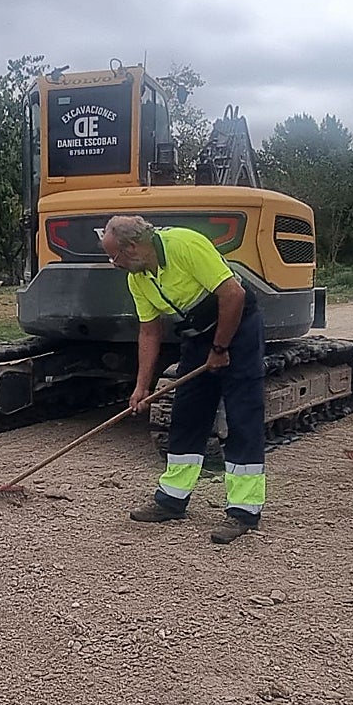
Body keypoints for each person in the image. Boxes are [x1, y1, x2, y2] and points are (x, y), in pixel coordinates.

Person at [101, 215, 266, 545]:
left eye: (114, 256)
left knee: (242, 415)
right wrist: (141, 386)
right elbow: (149, 331)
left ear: (132, 247)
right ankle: (172, 500)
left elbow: (233, 295)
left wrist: (221, 348)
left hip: (238, 327)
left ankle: (243, 511)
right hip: (198, 335)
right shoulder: (138, 277)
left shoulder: (185, 245)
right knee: (187, 414)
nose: (113, 263)